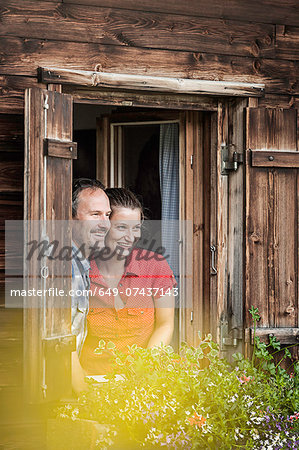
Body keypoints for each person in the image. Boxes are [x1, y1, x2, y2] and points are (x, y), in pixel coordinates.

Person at [80, 188, 176, 375]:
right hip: (92, 381)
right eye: (122, 227)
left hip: (141, 379)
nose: (131, 238)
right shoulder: (81, 271)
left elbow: (165, 324)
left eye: (136, 228)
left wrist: (143, 370)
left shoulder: (155, 266)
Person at [71, 178, 111, 392]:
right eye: (95, 215)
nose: (105, 224)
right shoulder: (66, 267)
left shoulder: (80, 263)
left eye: (107, 215)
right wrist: (88, 401)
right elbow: (63, 347)